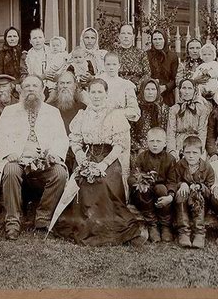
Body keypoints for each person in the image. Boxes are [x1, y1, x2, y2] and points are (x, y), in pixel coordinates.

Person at [52, 78, 148, 246]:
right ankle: (87, 224)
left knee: (101, 181)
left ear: (106, 94)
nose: (96, 96)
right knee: (83, 181)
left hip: (108, 158)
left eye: (100, 92)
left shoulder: (115, 114)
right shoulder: (82, 115)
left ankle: (105, 227)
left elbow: (120, 145)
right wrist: (81, 158)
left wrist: (103, 164)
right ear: (88, 94)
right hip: (86, 156)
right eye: (93, 92)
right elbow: (75, 141)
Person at [0, 75, 69, 240]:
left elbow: (61, 138)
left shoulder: (52, 112)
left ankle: (43, 218)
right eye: (27, 86)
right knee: (11, 170)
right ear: (20, 90)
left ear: (42, 90)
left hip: (44, 161)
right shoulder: (9, 111)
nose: (31, 89)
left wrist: (54, 154)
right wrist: (9, 153)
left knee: (60, 174)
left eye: (35, 86)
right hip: (18, 159)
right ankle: (12, 222)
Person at [98, 52, 140, 195]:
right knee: (102, 159)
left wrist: (116, 113)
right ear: (103, 65)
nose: (111, 67)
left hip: (120, 126)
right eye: (108, 64)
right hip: (100, 127)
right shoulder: (98, 82)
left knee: (121, 162)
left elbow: (135, 111)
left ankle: (122, 198)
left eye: (114, 64)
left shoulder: (126, 85)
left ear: (119, 66)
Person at [127, 128, 177, 243]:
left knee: (161, 188)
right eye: (152, 141)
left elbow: (172, 181)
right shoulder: (142, 157)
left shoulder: (170, 159)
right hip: (145, 197)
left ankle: (165, 226)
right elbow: (132, 176)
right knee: (143, 189)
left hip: (161, 195)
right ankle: (152, 224)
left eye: (158, 141)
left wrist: (170, 196)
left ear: (165, 143)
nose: (155, 144)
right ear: (147, 142)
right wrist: (139, 181)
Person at [173, 135, 215, 248]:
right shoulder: (179, 165)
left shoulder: (207, 167)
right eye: (188, 152)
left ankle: (199, 232)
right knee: (181, 194)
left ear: (201, 153)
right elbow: (173, 181)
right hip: (184, 200)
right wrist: (182, 184)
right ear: (183, 152)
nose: (191, 156)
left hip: (201, 202)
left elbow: (210, 188)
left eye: (195, 153)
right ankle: (184, 232)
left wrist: (200, 187)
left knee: (198, 195)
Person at [46, 71, 87, 172]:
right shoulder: (48, 108)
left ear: (75, 86)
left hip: (76, 153)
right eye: (62, 83)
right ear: (57, 86)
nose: (65, 86)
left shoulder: (82, 107)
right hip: (55, 153)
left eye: (68, 83)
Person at [166, 78, 209, 159]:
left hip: (196, 143)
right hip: (178, 144)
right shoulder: (174, 109)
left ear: (194, 90)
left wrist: (199, 149)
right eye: (184, 88)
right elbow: (171, 132)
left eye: (190, 88)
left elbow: (202, 131)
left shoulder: (202, 109)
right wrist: (172, 150)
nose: (186, 92)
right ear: (180, 90)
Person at [131, 77, 170, 154]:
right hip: (139, 150)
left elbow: (166, 132)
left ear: (158, 91)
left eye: (153, 89)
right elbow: (131, 133)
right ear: (142, 91)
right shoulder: (135, 108)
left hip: (159, 148)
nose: (150, 92)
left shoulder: (164, 109)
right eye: (147, 89)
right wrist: (139, 148)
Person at [147, 29, 179, 106]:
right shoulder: (147, 55)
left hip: (166, 94)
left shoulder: (172, 56)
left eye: (160, 39)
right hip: (150, 92)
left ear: (165, 40)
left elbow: (176, 79)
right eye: (155, 39)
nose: (157, 42)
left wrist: (165, 87)